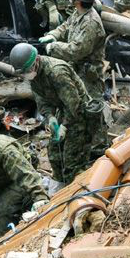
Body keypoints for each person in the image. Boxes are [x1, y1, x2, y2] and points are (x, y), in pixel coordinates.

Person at [10, 42, 105, 184]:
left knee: (72, 163)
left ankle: (78, 192)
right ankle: (62, 188)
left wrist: (64, 126)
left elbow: (74, 105)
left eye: (26, 70)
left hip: (80, 114)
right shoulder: (34, 75)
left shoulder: (57, 72)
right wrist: (50, 117)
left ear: (36, 61)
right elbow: (41, 99)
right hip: (63, 111)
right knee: (55, 156)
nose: (26, 74)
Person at [37, 0, 106, 103]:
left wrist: (53, 47)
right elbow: (67, 25)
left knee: (88, 106)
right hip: (77, 68)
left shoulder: (90, 23)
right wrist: (54, 35)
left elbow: (76, 50)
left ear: (78, 1)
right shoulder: (80, 12)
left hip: (87, 76)